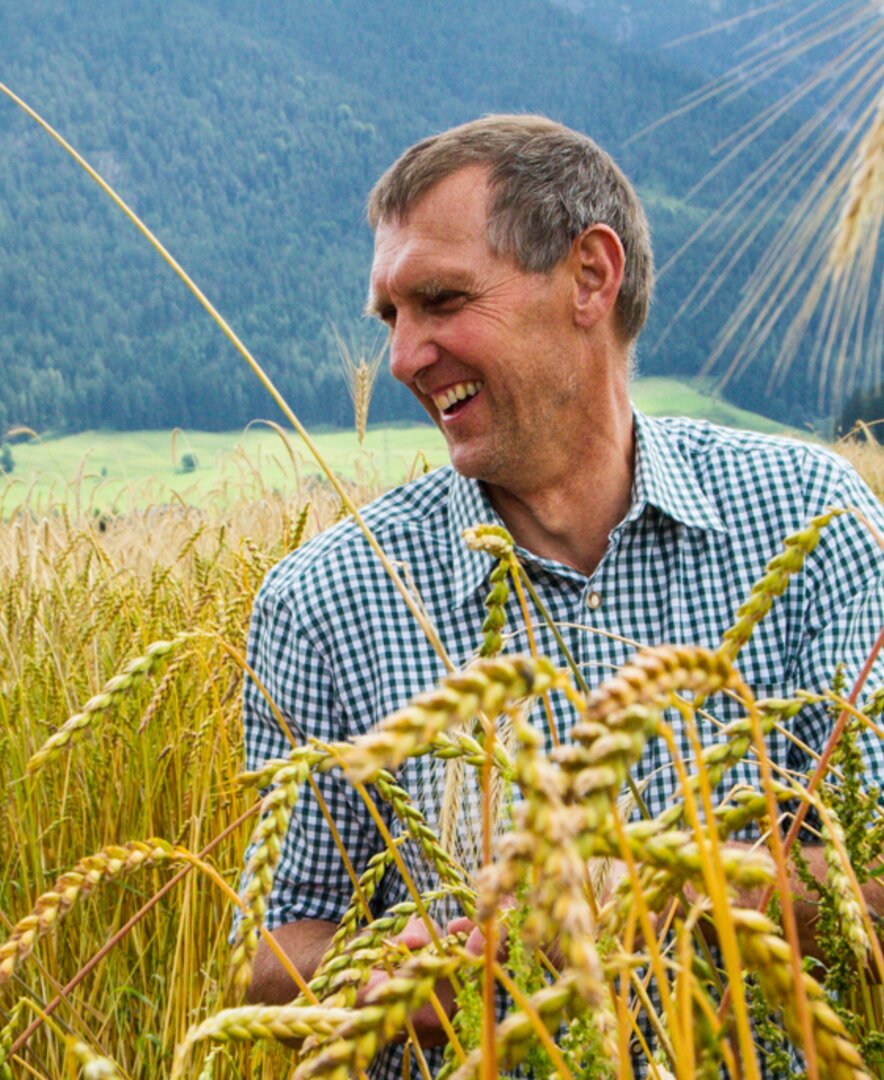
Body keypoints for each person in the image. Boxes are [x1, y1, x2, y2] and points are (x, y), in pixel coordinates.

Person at [241, 115, 884, 1077]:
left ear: (591, 277)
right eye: (391, 317)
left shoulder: (810, 517)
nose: (405, 358)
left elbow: (873, 888)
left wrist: (632, 902)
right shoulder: (322, 597)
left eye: (443, 301)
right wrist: (396, 981)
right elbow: (273, 956)